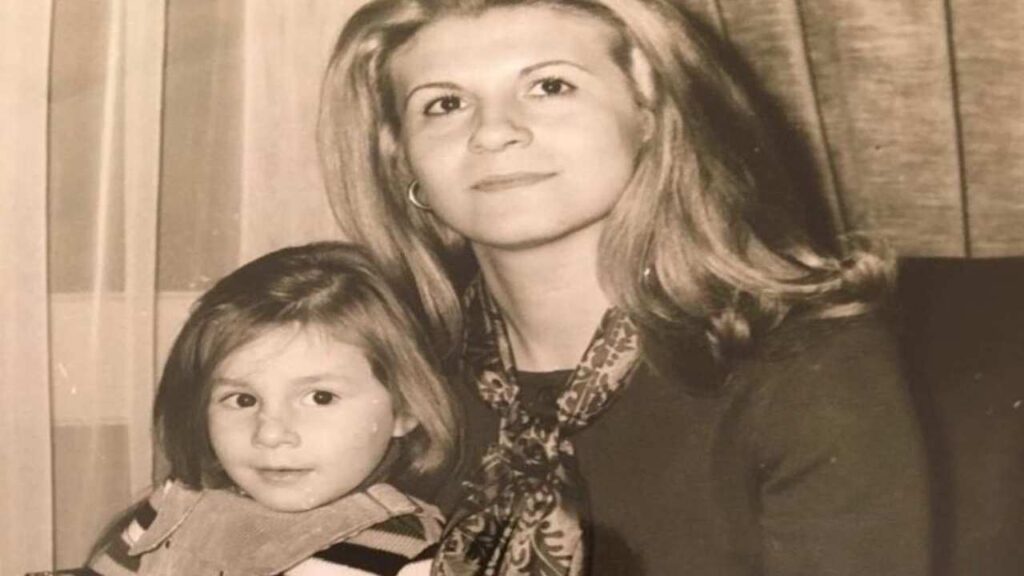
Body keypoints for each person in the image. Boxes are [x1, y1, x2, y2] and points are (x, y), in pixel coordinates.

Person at [318, 0, 931, 574]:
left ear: (650, 116)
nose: (494, 131)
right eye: (445, 104)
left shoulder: (807, 369)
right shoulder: (379, 375)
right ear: (401, 159)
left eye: (550, 86)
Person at [86, 242, 456, 576]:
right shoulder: (179, 509)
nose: (270, 433)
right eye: (243, 400)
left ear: (406, 407)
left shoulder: (414, 556)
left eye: (320, 397)